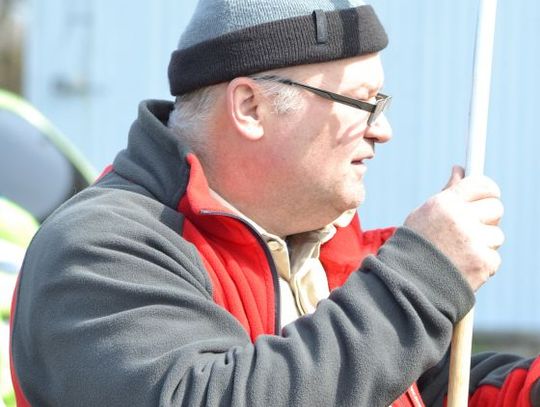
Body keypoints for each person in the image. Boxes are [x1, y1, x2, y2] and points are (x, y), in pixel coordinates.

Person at [9, 1, 540, 406]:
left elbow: (416, 386)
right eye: (361, 102)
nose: (383, 130)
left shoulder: (316, 247)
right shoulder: (101, 248)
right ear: (250, 106)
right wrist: (422, 279)